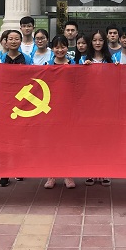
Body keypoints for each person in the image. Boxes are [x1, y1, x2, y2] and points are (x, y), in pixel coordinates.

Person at [0, 30, 32, 187]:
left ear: (21, 41)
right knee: (5, 139)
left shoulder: (27, 59)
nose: (13, 41)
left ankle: (19, 168)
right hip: (4, 104)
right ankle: (5, 172)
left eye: (16, 39)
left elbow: (33, 78)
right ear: (5, 41)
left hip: (22, 104)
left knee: (21, 138)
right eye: (10, 39)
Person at [43, 35, 76, 189]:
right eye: (56, 47)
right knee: (52, 144)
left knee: (68, 143)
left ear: (67, 48)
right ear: (52, 49)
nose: (60, 50)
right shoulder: (47, 65)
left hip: (69, 110)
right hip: (51, 110)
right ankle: (51, 175)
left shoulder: (74, 65)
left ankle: (68, 175)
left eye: (63, 47)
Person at [79, 29, 112, 186]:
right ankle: (90, 171)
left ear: (105, 42)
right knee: (89, 140)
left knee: (105, 140)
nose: (97, 43)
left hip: (106, 106)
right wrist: (84, 69)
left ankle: (105, 171)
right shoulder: (83, 60)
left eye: (100, 40)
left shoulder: (111, 60)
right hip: (88, 107)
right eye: (94, 40)